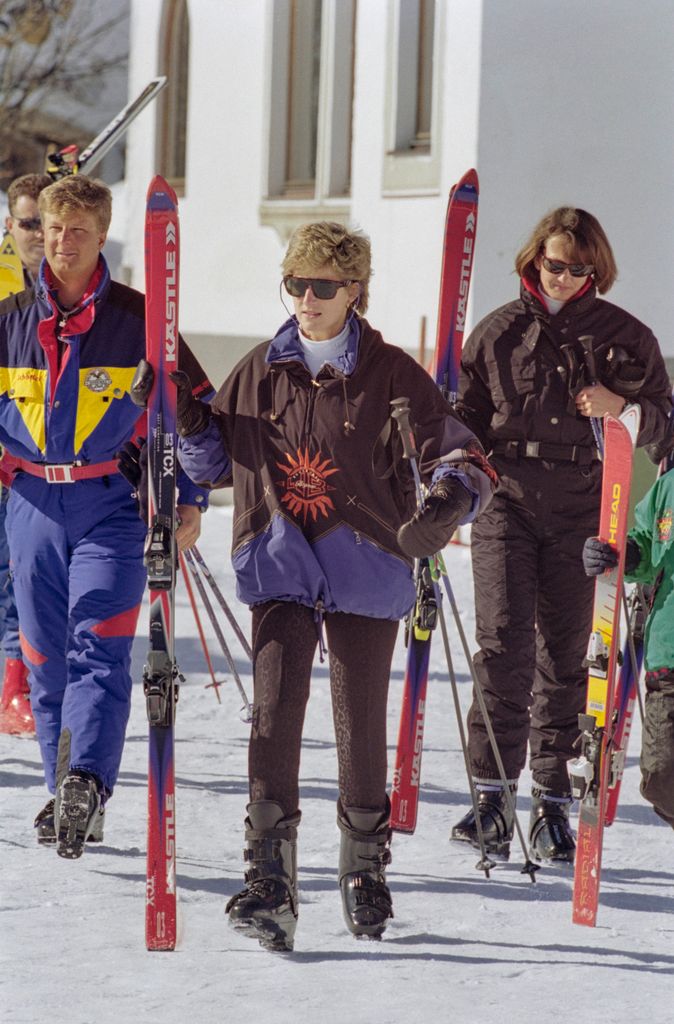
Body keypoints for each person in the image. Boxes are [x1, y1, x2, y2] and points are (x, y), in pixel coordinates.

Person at [160, 220, 495, 950]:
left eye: (322, 286)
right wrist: (188, 418)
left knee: (358, 719)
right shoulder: (258, 369)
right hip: (280, 557)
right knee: (274, 714)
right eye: (296, 283)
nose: (306, 298)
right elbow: (215, 462)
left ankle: (364, 873)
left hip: (366, 558)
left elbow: (462, 457)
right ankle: (269, 881)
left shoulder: (393, 375)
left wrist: (445, 503)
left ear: (355, 291)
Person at [450, 206, 671, 864]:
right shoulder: (496, 333)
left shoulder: (627, 338)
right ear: (532, 260)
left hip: (585, 506)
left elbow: (667, 428)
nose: (567, 279)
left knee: (568, 656)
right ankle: (492, 798)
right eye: (556, 266)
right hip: (507, 502)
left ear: (597, 271)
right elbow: (462, 425)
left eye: (581, 269)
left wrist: (621, 408)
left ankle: (551, 800)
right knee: (502, 644)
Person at [0, 175, 211, 859]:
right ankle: (65, 792)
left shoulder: (141, 320)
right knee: (41, 654)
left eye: (79, 232)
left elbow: (199, 423)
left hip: (110, 508)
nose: (63, 243)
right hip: (30, 504)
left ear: (101, 238)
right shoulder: (8, 321)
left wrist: (193, 499)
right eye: (52, 230)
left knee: (99, 643)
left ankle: (87, 776)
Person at [583, 456, 674, 831]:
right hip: (667, 658)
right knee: (660, 777)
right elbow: (644, 539)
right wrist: (619, 554)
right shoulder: (668, 486)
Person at [0, 172, 52, 734]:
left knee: (20, 578)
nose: (40, 234)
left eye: (48, 222)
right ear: (10, 226)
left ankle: (19, 690)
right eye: (29, 223)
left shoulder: (70, 284)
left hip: (40, 464)